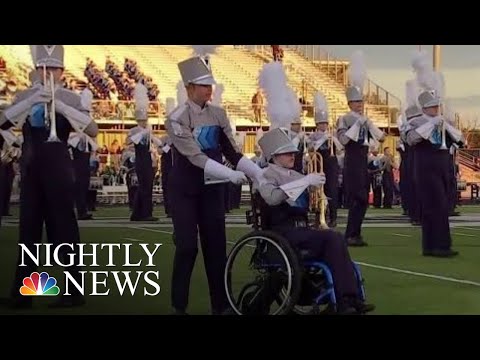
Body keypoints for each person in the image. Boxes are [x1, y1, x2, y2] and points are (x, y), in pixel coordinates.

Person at [165, 50, 263, 315]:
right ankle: (179, 305)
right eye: (204, 85)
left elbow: (232, 151)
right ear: (189, 88)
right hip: (185, 190)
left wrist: (256, 172)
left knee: (217, 249)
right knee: (186, 247)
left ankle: (221, 305)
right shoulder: (176, 118)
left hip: (211, 190)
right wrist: (230, 175)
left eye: (211, 85)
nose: (210, 90)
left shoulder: (219, 114)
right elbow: (195, 157)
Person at [0, 45, 98, 308]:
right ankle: (23, 293)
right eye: (43, 68)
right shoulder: (24, 95)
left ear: (62, 71)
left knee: (64, 230)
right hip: (31, 169)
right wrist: (32, 101)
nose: (48, 73)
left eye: (53, 68)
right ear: (36, 71)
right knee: (28, 231)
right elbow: (3, 122)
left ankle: (72, 290)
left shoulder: (72, 98)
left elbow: (93, 129)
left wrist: (62, 106)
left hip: (59, 169)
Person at [256, 127, 375, 314]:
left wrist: (317, 189)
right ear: (274, 156)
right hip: (281, 233)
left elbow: (307, 196)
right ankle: (345, 300)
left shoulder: (295, 174)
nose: (292, 155)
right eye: (286, 153)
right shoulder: (265, 175)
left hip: (301, 230)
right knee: (332, 239)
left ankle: (350, 299)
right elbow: (272, 198)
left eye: (292, 152)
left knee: (336, 240)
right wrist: (304, 183)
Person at [406, 89, 464, 257]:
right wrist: (430, 124)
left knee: (440, 205)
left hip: (443, 166)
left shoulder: (442, 121)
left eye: (437, 106)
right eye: (431, 106)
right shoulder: (416, 122)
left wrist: (447, 126)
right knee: (434, 205)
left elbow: (460, 141)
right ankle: (440, 245)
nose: (435, 109)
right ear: (424, 108)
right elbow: (411, 139)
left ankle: (431, 246)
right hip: (425, 167)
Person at [337, 51, 385, 246]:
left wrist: (370, 124)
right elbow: (343, 141)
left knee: (363, 199)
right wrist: (357, 125)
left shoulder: (364, 119)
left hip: (363, 159)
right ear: (350, 103)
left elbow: (381, 137)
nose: (360, 105)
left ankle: (354, 233)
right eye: (357, 102)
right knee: (359, 197)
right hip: (352, 159)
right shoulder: (345, 118)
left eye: (361, 101)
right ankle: (351, 234)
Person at [307, 92, 341, 227]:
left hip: (331, 164)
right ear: (317, 124)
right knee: (319, 190)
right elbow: (311, 148)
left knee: (332, 190)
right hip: (318, 163)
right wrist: (322, 139)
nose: (324, 125)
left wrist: (333, 138)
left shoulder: (331, 134)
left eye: (325, 123)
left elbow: (339, 148)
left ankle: (333, 217)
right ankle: (319, 216)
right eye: (321, 123)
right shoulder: (313, 135)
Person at [126, 83, 160, 222]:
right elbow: (129, 141)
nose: (144, 121)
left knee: (147, 187)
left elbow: (154, 144)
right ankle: (144, 213)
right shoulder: (135, 130)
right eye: (143, 119)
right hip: (140, 159)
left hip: (146, 159)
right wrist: (143, 132)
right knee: (144, 187)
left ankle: (139, 213)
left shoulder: (147, 130)